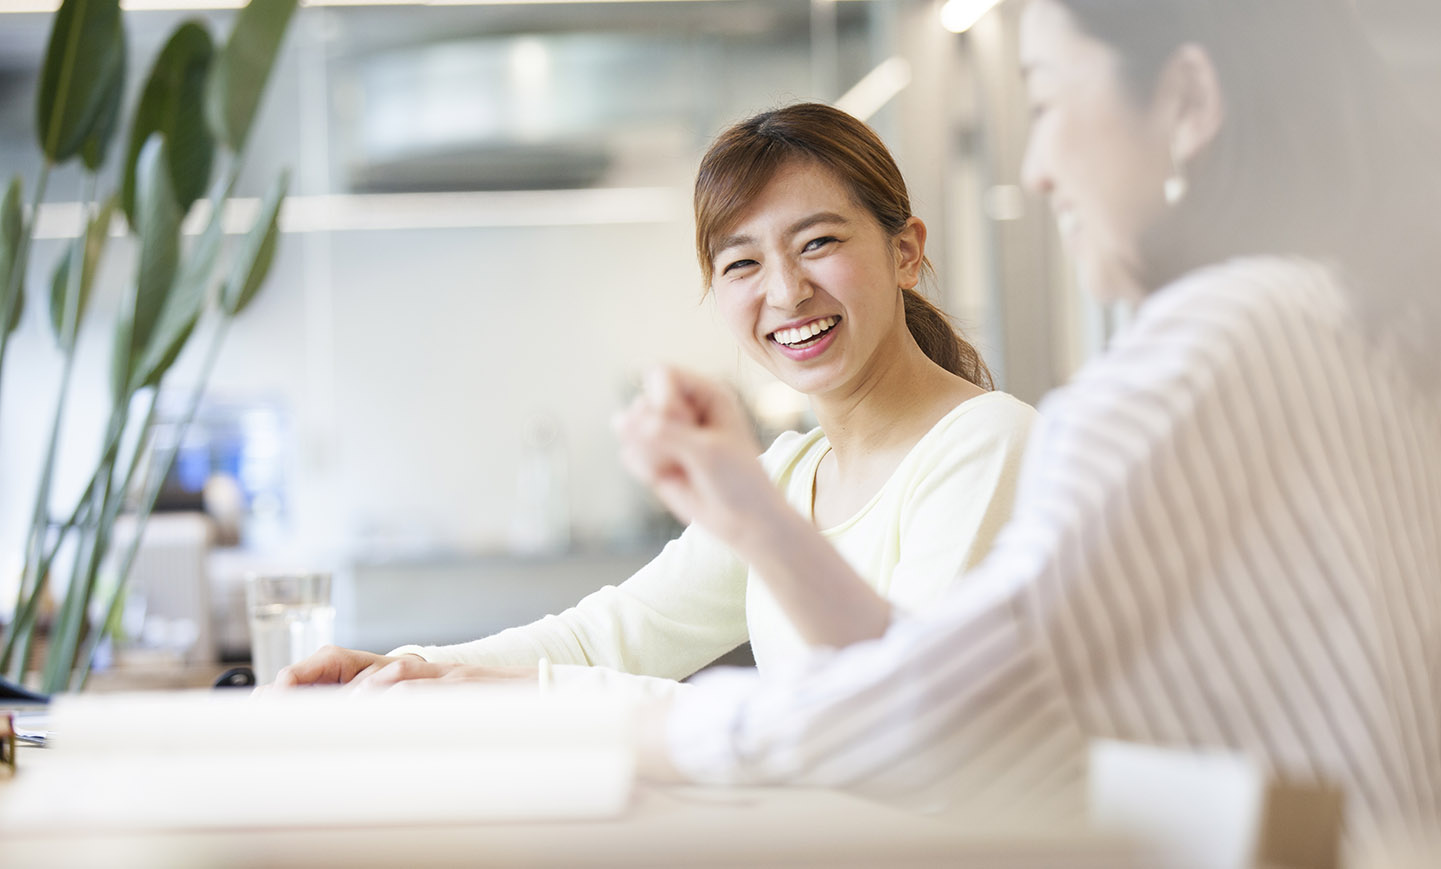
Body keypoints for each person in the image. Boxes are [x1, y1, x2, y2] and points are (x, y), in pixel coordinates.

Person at [613, 0, 1441, 849]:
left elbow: (934, 723)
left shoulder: (1209, 346)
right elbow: (962, 684)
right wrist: (755, 515)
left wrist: (645, 733)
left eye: (1046, 100)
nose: (1035, 167)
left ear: (1186, 101)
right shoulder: (1333, 316)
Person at [277, 103, 1037, 695]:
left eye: (818, 243)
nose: (784, 291)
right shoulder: (784, 476)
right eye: (741, 262)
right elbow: (612, 634)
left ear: (905, 251)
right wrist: (407, 667)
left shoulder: (984, 443)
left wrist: (532, 696)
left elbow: (902, 711)